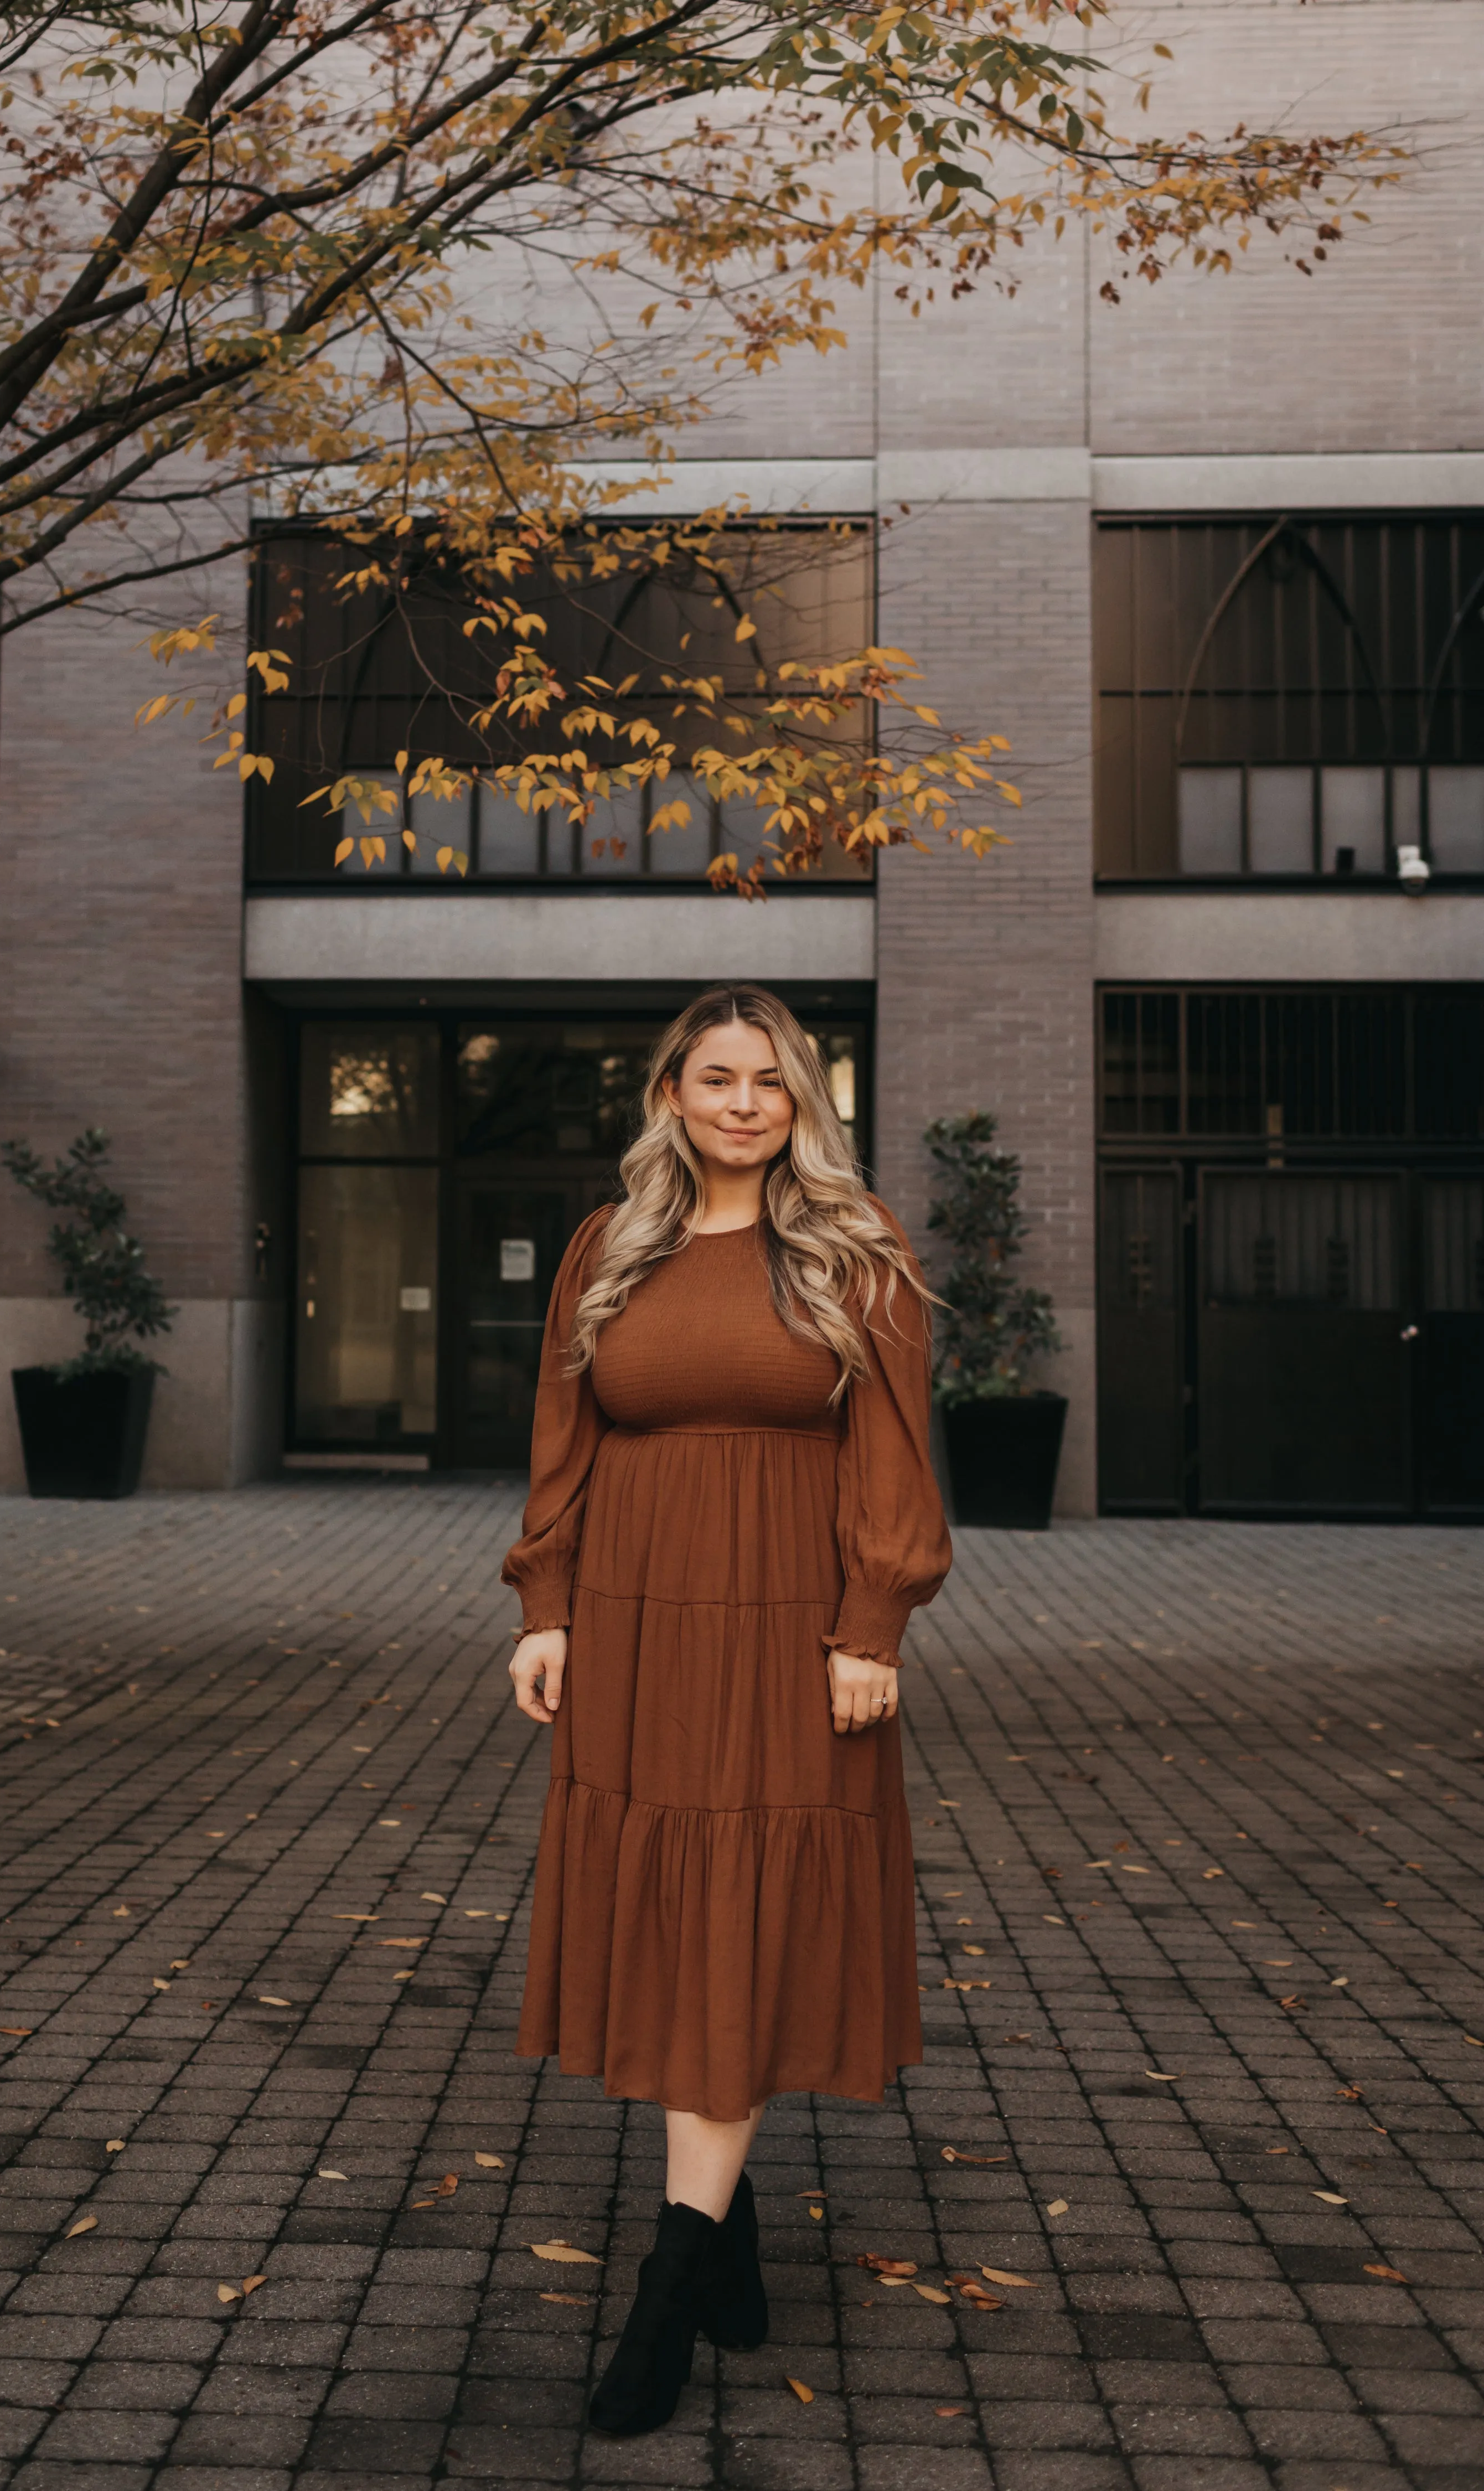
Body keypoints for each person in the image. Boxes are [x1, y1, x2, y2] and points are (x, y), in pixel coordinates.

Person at [503, 982, 952, 2437]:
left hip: (790, 1628)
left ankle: (669, 2288)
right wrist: (546, 1604)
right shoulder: (609, 1245)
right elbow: (563, 1435)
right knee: (672, 1913)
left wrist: (870, 1623)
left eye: (772, 1078)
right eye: (717, 1076)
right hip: (636, 1623)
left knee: (751, 1906)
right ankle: (732, 2219)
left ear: (802, 1100)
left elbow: (893, 1443)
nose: (746, 1100)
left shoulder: (853, 1243)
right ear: (673, 1095)